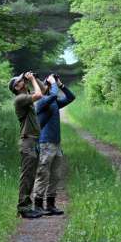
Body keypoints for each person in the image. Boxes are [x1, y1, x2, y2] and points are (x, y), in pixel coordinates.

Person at [33, 74, 75, 215]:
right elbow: (53, 95)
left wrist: (61, 85)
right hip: (45, 143)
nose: (52, 87)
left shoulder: (54, 102)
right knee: (43, 174)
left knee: (55, 175)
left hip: (56, 144)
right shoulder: (42, 101)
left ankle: (50, 205)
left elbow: (71, 97)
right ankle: (38, 205)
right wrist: (52, 83)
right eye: (49, 86)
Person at [9, 71, 44, 219]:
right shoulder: (20, 99)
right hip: (28, 141)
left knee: (31, 175)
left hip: (33, 140)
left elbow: (42, 90)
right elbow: (39, 95)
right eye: (20, 80)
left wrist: (34, 78)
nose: (23, 81)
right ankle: (23, 208)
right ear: (16, 87)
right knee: (27, 175)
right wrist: (31, 80)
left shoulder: (25, 97)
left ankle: (27, 207)